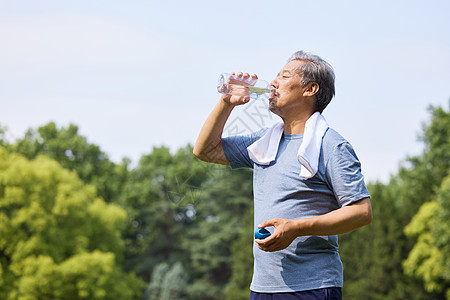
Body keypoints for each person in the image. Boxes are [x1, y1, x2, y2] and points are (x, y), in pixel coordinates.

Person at [193, 51, 372, 300]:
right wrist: (226, 103)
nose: (273, 82)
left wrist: (295, 228)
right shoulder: (264, 143)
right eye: (276, 75)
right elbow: (205, 150)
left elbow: (361, 212)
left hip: (312, 286)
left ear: (310, 89)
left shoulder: (332, 145)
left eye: (284, 76)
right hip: (263, 287)